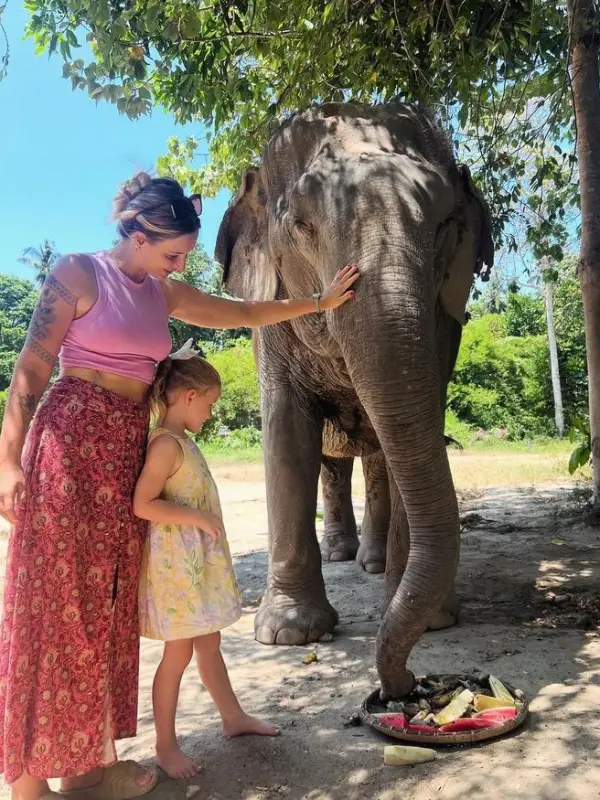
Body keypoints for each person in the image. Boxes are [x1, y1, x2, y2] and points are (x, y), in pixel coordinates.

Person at [0, 171, 359, 800]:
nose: (182, 260)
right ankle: (31, 781)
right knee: (54, 606)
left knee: (108, 609)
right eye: (174, 249)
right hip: (69, 442)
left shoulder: (162, 294)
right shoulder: (81, 275)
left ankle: (87, 765)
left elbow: (246, 313)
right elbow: (31, 367)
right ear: (138, 233)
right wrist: (7, 462)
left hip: (125, 450)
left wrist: (319, 304)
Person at [134, 345, 278, 780]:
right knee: (177, 654)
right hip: (177, 575)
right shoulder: (164, 444)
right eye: (210, 404)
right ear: (189, 396)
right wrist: (197, 517)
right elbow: (143, 503)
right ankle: (164, 745)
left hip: (195, 570)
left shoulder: (181, 441)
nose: (211, 414)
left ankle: (232, 717)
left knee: (209, 644)